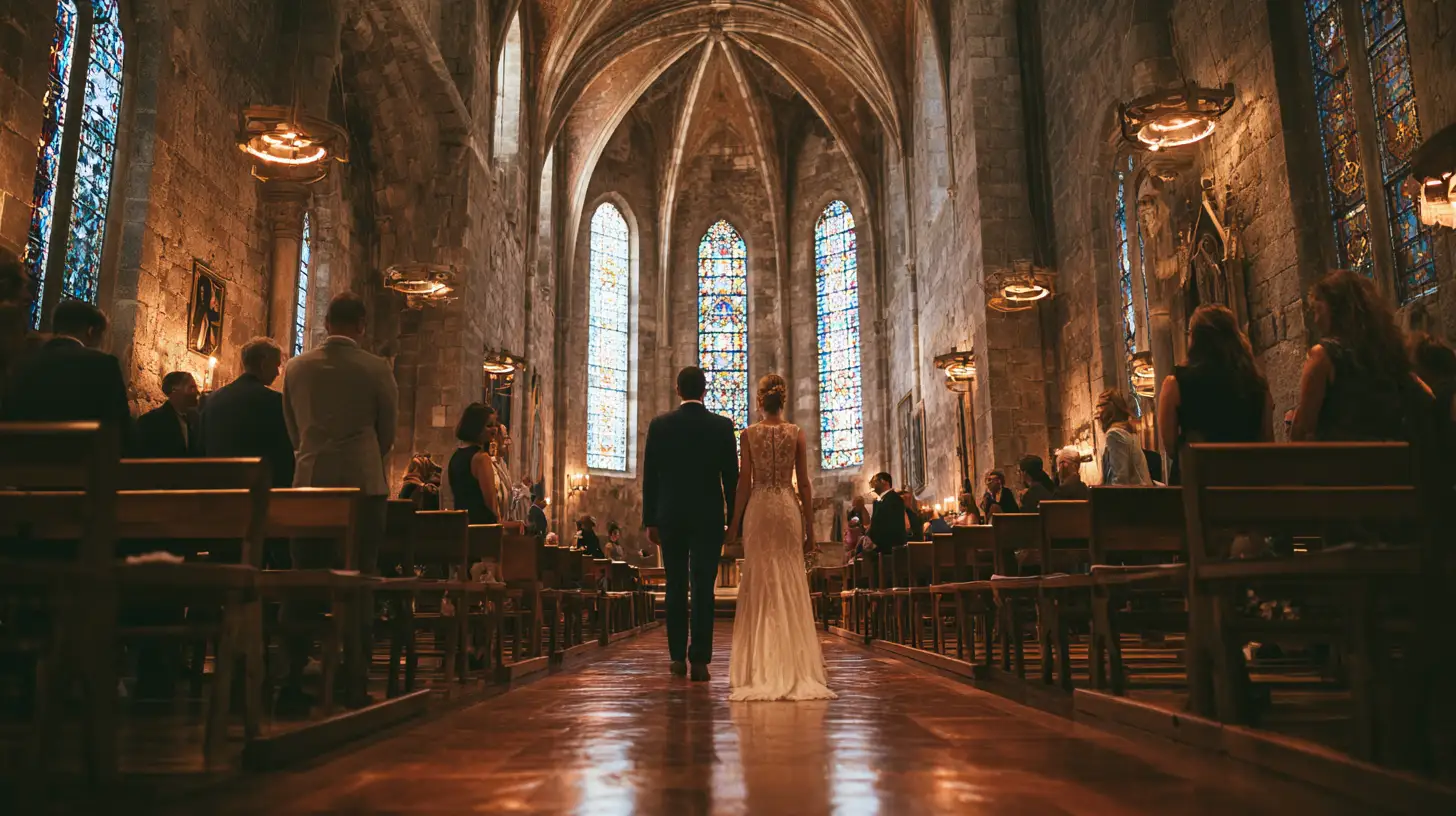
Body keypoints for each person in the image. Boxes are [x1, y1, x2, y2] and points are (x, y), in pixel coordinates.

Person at [280, 292, 397, 712]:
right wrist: (363, 458)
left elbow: (293, 428)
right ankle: (353, 681)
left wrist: (314, 455)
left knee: (304, 579)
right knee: (360, 580)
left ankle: (292, 680)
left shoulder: (295, 367)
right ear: (362, 326)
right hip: (363, 487)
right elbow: (388, 432)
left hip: (309, 484)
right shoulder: (377, 368)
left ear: (326, 323)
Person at [724, 373, 836, 701]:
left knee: (760, 580)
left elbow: (744, 482)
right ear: (782, 401)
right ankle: (794, 664)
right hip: (787, 508)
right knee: (788, 578)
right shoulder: (796, 434)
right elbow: (804, 484)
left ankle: (760, 666)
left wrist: (733, 524)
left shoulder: (748, 434)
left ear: (759, 402)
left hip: (759, 508)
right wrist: (811, 532)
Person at [643, 366, 738, 682]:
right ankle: (699, 661)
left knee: (674, 585)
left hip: (670, 517)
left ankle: (675, 658)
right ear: (704, 391)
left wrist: (650, 520)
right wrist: (732, 519)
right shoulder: (722, 427)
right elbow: (731, 479)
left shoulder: (660, 425)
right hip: (708, 518)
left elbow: (650, 479)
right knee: (703, 588)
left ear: (677, 390)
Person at [1291, 270, 1431, 442]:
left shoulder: (1323, 356)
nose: (1316, 319)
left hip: (1344, 463)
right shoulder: (1388, 352)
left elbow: (1302, 430)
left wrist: (1295, 422)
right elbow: (1426, 397)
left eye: (1318, 309)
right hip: (1392, 462)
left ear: (1338, 307)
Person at [1156, 304, 1273, 484]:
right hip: (1248, 483)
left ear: (1195, 337)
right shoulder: (1256, 381)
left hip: (1197, 484)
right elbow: (1266, 438)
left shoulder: (1175, 383)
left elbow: (1170, 446)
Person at [2, 299, 131, 445]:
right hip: (82, 461)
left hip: (24, 459)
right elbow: (120, 428)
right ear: (90, 331)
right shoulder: (103, 364)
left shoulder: (22, 361)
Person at [199, 337, 295, 486]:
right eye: (276, 365)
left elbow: (201, 447)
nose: (277, 373)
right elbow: (283, 455)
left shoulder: (212, 399)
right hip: (256, 490)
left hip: (217, 487)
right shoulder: (274, 401)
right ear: (263, 364)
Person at [447, 402, 501, 524]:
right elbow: (490, 504)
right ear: (476, 427)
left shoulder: (456, 456)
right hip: (481, 528)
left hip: (462, 524)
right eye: (489, 425)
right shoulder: (481, 459)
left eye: (495, 425)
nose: (494, 429)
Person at [1096, 390, 1152, 485]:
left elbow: (1120, 479)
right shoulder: (1127, 432)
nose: (1097, 413)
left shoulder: (1115, 434)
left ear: (1109, 409)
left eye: (1099, 407)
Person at [864, 472, 907, 553]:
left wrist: (875, 542)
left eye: (875, 481)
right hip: (879, 547)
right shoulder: (879, 501)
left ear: (884, 482)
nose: (872, 485)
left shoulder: (894, 499)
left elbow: (890, 525)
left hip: (890, 548)